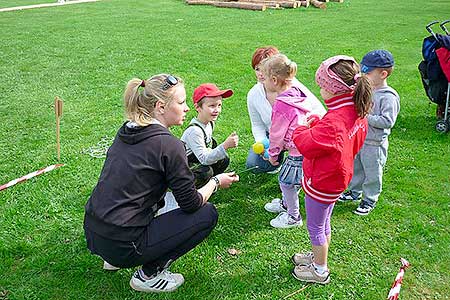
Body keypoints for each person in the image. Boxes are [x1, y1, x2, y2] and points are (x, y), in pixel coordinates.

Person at [83, 74, 239, 293]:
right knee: (207, 214)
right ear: (160, 107)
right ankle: (148, 275)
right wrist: (215, 181)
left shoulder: (127, 130)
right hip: (124, 244)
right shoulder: (169, 145)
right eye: (181, 102)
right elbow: (192, 204)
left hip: (94, 233)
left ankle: (113, 259)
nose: (186, 109)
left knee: (160, 202)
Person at [291, 56, 373, 284]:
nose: (319, 89)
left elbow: (306, 143)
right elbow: (335, 140)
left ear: (335, 90)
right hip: (338, 178)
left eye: (322, 86)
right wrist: (319, 123)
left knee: (316, 226)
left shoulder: (335, 121)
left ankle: (319, 269)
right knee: (324, 222)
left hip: (323, 181)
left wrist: (302, 127)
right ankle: (319, 254)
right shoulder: (355, 110)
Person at [260, 54, 326, 228]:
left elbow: (276, 134)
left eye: (264, 78)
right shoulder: (297, 93)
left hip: (297, 151)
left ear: (274, 80)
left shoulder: (282, 104)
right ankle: (286, 203)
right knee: (294, 179)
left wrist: (273, 155)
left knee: (286, 181)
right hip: (305, 145)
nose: (263, 81)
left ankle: (293, 216)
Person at [339, 50, 400, 216]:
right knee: (357, 168)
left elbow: (387, 122)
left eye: (367, 72)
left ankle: (369, 199)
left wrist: (366, 116)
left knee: (373, 172)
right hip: (360, 139)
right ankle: (354, 192)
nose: (363, 75)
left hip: (375, 144)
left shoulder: (388, 97)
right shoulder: (367, 89)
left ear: (383, 74)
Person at [246, 46, 324, 173]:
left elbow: (318, 111)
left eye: (264, 68)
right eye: (257, 68)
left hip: (299, 134)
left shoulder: (294, 89)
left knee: (293, 177)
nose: (260, 73)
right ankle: (280, 160)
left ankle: (302, 164)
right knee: (254, 164)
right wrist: (264, 145)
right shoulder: (253, 94)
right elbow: (257, 125)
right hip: (273, 136)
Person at [181, 83, 239, 188]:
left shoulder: (209, 123)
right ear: (198, 107)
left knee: (223, 159)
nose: (217, 110)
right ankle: (195, 190)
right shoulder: (194, 131)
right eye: (212, 106)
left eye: (219, 105)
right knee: (205, 172)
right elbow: (204, 159)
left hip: (198, 157)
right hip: (183, 166)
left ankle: (211, 183)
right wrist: (225, 146)